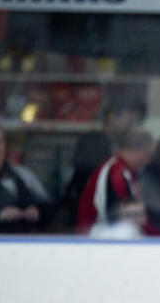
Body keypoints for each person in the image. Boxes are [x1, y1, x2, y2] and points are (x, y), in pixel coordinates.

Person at [62, 97, 146, 228]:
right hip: (90, 221)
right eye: (128, 120)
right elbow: (102, 178)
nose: (131, 125)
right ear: (112, 117)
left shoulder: (115, 145)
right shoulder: (93, 143)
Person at [76, 126, 158, 235]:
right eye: (149, 154)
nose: (148, 161)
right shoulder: (116, 173)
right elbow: (127, 218)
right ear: (140, 151)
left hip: (102, 236)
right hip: (98, 238)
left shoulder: (121, 170)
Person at [0, 124, 54, 233]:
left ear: (6, 145)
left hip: (26, 243)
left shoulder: (23, 174)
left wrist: (38, 212)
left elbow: (49, 207)